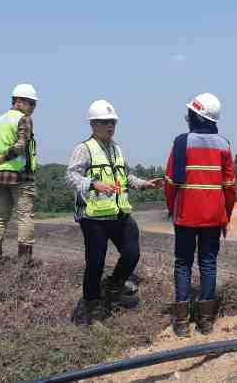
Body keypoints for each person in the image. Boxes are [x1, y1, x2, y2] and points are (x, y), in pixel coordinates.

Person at [65, 99, 163, 325]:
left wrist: (146, 184)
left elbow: (125, 177)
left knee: (132, 253)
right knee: (95, 262)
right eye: (105, 122)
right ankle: (91, 306)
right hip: (93, 217)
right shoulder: (84, 149)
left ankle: (113, 287)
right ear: (93, 124)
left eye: (113, 122)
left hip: (119, 213)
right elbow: (70, 176)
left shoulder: (117, 148)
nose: (110, 126)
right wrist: (93, 184)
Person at [164, 93, 236, 337]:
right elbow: (230, 186)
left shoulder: (181, 142)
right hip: (214, 217)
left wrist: (171, 209)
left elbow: (170, 182)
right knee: (208, 263)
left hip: (185, 215)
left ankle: (182, 322)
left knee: (183, 263)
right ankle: (206, 322)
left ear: (196, 116)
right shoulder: (224, 144)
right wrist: (226, 216)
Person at [0, 83, 39, 266]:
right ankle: (24, 260)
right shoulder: (23, 119)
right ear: (19, 101)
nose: (33, 107)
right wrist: (1, 157)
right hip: (20, 176)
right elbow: (21, 145)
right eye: (31, 103)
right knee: (25, 216)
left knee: (1, 217)